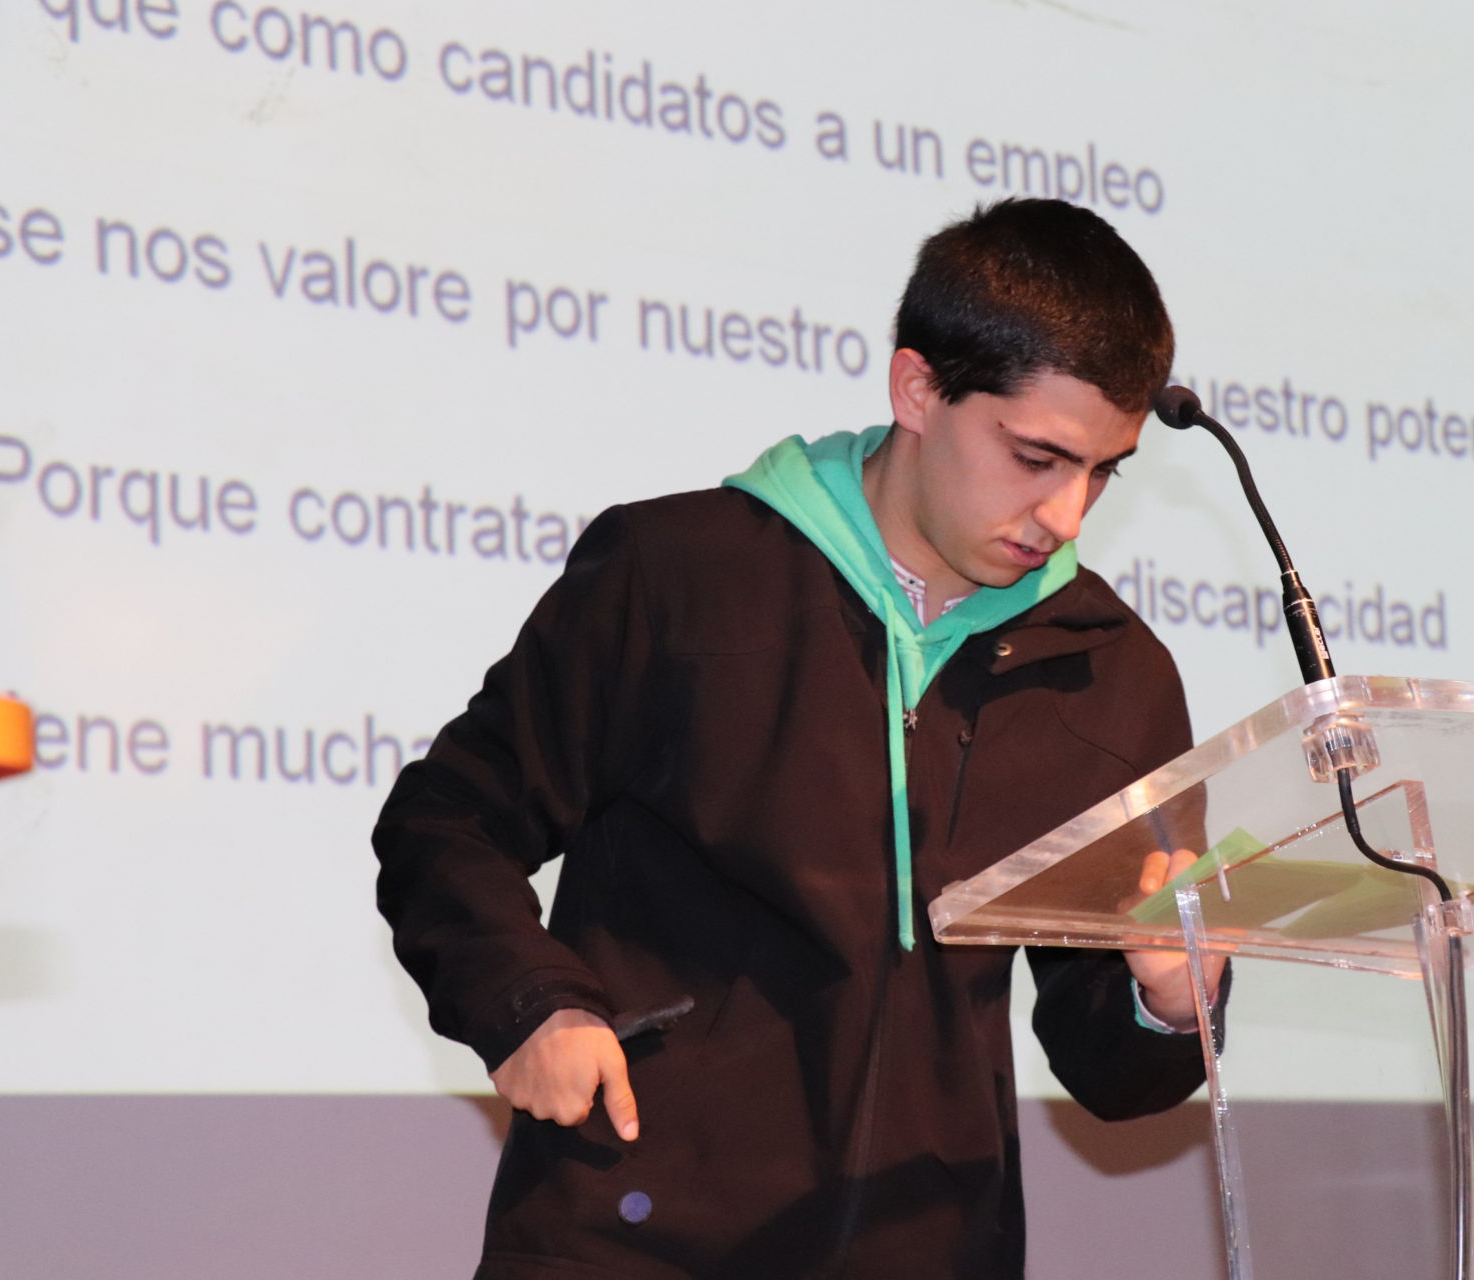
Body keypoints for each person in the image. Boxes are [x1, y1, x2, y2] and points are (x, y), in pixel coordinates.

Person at [373, 197, 1227, 1279]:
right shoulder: (679, 574)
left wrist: (1169, 1001)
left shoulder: (1112, 675)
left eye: (1103, 471)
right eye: (1035, 457)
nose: (1066, 514)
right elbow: (448, 820)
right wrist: (530, 1003)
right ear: (917, 389)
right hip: (635, 1237)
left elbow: (1111, 1072)